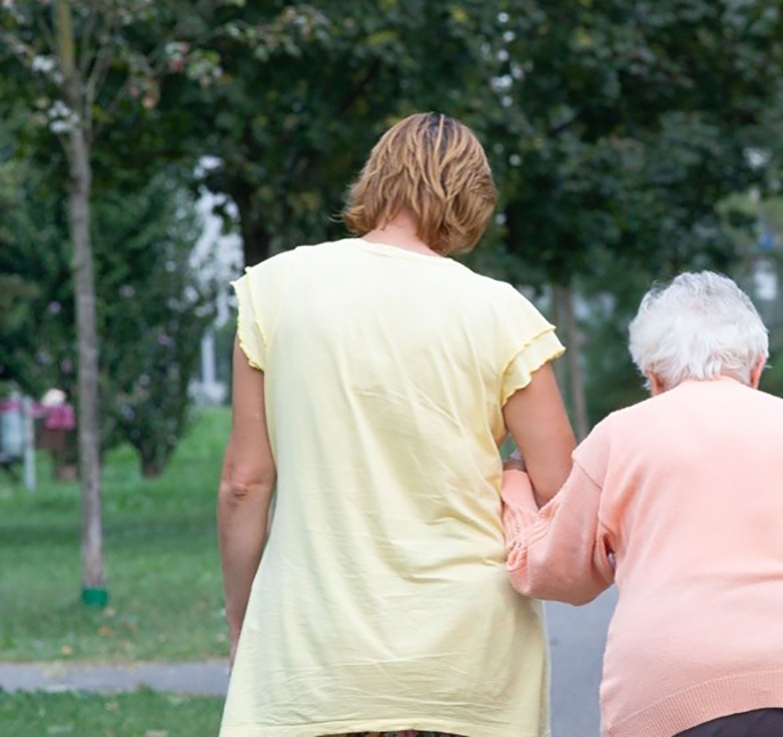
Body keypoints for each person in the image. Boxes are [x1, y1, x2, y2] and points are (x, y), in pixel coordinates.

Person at [217, 112, 575, 737]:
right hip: (469, 658)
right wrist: (513, 477)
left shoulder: (275, 290)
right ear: (472, 199)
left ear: (374, 179)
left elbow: (246, 481)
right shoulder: (502, 314)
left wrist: (243, 618)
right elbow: (565, 491)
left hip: (315, 654)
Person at [501, 272, 783, 737]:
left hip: (668, 691)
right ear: (756, 367)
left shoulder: (618, 437)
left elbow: (555, 573)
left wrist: (514, 486)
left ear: (653, 377)